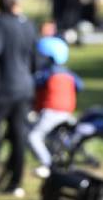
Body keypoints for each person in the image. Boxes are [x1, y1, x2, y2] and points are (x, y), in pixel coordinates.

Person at [0, 0, 38, 196]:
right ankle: (16, 182)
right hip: (25, 87)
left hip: (2, 89)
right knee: (18, 136)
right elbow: (34, 59)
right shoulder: (28, 26)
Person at [28, 36, 83, 179]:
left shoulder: (46, 74)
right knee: (57, 139)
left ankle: (46, 163)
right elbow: (80, 85)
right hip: (67, 111)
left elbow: (34, 85)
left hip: (51, 111)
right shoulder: (68, 73)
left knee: (33, 136)